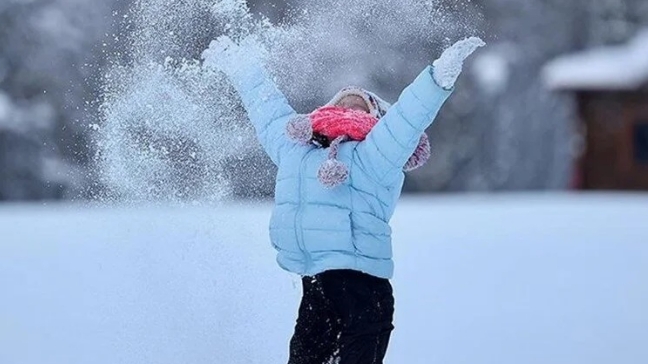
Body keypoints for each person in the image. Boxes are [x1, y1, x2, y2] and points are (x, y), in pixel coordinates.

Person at [202, 35, 485, 364]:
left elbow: (407, 117)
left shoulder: (377, 153)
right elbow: (267, 110)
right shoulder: (297, 148)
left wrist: (437, 78)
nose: (350, 107)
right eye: (343, 102)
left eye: (360, 104)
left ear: (377, 118)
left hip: (364, 289)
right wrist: (242, 67)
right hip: (317, 285)